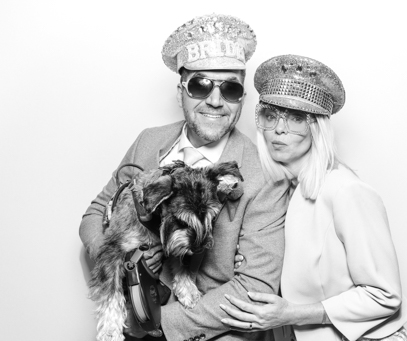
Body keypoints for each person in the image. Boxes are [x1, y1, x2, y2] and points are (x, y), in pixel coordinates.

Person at [79, 14, 289, 341]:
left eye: (231, 88)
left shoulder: (264, 174)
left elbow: (254, 287)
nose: (216, 100)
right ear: (181, 92)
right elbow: (96, 213)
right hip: (127, 319)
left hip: (204, 333)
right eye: (200, 85)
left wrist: (159, 324)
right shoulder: (148, 141)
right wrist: (121, 256)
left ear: (242, 100)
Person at [219, 55, 407, 341]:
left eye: (296, 118)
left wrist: (290, 314)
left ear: (317, 127)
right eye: (270, 116)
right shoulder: (282, 193)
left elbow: (385, 295)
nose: (279, 129)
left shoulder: (347, 191)